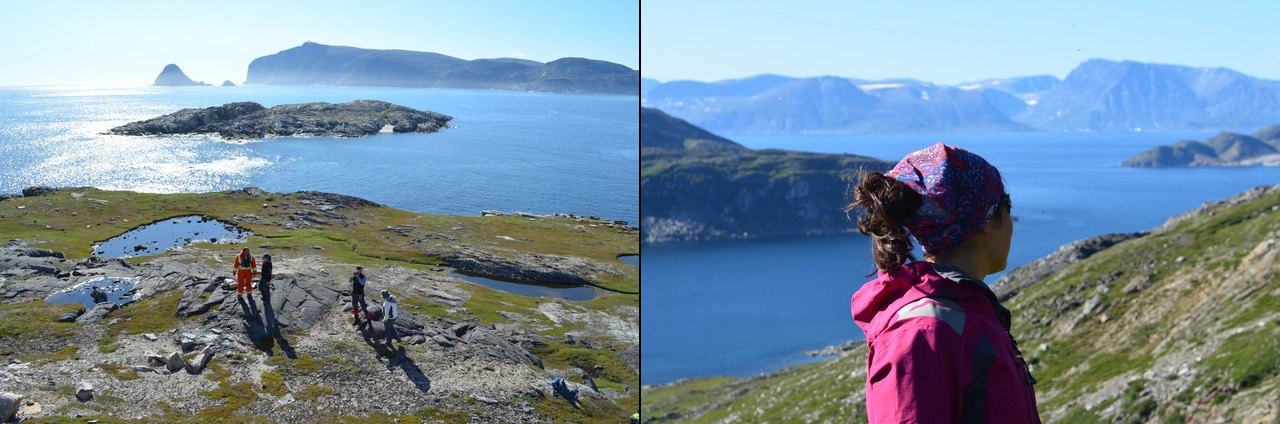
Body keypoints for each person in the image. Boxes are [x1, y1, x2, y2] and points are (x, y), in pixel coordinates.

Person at [847, 143, 1040, 423]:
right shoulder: (924, 332)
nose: (1012, 223)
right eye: (1006, 206)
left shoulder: (959, 312)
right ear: (987, 220)